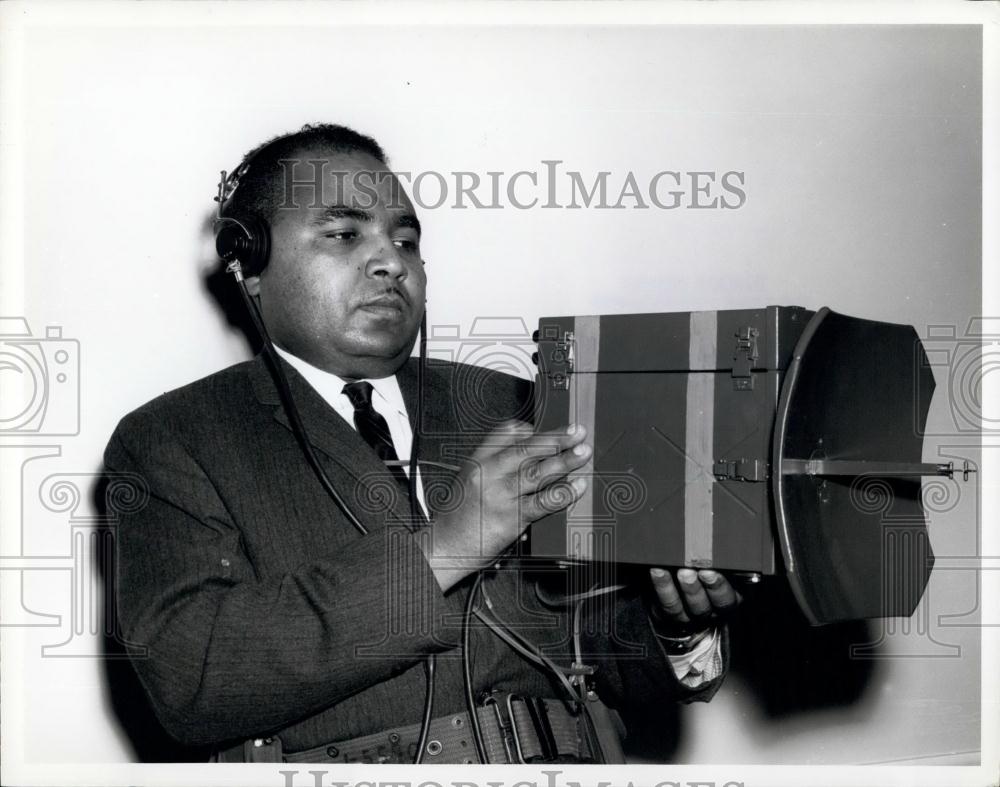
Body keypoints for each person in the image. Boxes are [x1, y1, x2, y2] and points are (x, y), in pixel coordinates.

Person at [103, 123, 741, 764]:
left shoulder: (520, 403)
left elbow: (602, 650)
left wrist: (675, 625)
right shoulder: (174, 438)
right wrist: (449, 547)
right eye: (344, 234)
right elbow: (194, 683)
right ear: (251, 262)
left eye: (405, 239)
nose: (392, 261)